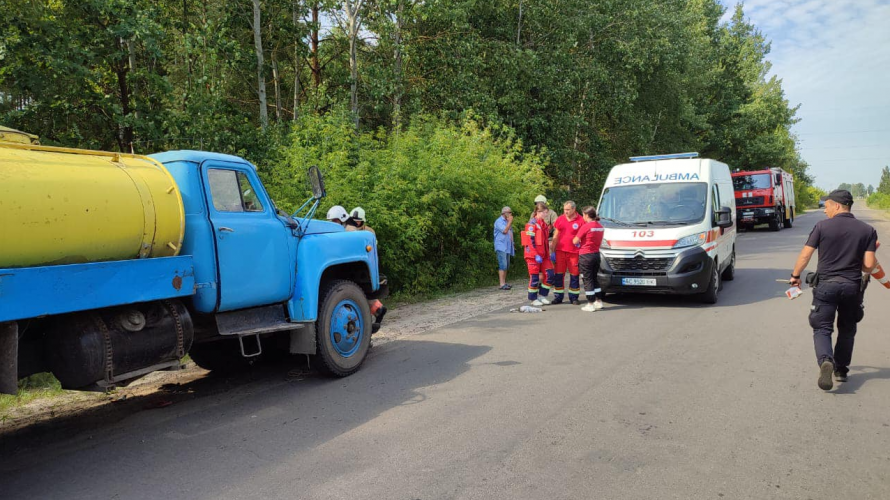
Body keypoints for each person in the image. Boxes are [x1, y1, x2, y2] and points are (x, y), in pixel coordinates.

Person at [789, 189, 878, 391]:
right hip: (852, 287)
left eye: (826, 205)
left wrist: (795, 276)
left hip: (826, 286)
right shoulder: (867, 230)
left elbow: (805, 256)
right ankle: (841, 370)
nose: (824, 210)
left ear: (837, 205)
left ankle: (826, 361)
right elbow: (868, 266)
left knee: (822, 328)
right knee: (847, 329)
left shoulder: (822, 227)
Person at [573, 206, 606, 312]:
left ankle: (590, 303)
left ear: (586, 215)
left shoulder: (586, 226)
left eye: (583, 214)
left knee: (587, 279)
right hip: (596, 254)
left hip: (586, 255)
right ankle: (598, 301)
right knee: (594, 278)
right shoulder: (600, 226)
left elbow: (575, 241)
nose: (583, 217)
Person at [550, 201, 583, 304]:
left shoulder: (581, 220)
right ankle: (558, 297)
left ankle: (574, 297)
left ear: (574, 209)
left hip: (574, 253)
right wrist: (552, 250)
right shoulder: (560, 219)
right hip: (560, 252)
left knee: (574, 275)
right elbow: (555, 235)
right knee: (559, 275)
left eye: (568, 210)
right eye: (564, 209)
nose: (566, 211)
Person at [522, 204, 554, 306]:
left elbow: (545, 241)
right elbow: (530, 241)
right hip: (532, 256)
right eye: (545, 213)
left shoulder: (543, 225)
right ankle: (533, 298)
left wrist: (549, 254)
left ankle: (542, 296)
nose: (546, 214)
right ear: (538, 212)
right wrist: (535, 254)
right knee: (534, 277)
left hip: (544, 255)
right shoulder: (531, 224)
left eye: (546, 212)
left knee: (550, 274)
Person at [493, 206, 515, 290]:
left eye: (510, 212)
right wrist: (510, 222)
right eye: (509, 212)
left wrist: (513, 243)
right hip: (501, 246)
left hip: (508, 246)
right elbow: (505, 231)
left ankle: (504, 282)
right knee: (503, 265)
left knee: (507, 265)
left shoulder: (507, 221)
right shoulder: (499, 221)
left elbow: (510, 232)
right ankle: (501, 284)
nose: (510, 214)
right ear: (504, 213)